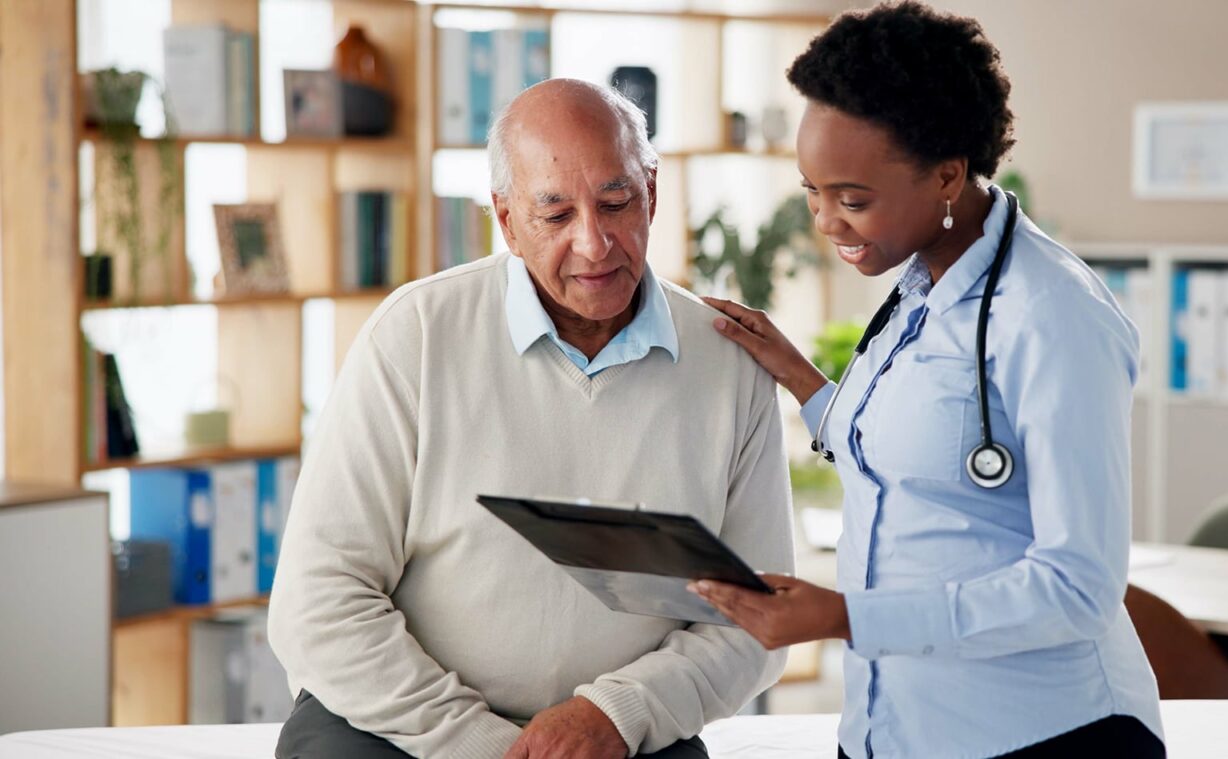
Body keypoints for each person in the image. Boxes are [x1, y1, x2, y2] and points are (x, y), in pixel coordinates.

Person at [690, 3, 1165, 757]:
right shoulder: (922, 283)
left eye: (852, 199)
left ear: (947, 174)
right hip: (894, 730)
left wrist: (849, 617)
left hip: (1040, 734)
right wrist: (799, 377)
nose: (825, 221)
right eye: (812, 191)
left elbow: (1079, 586)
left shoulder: (1051, 314)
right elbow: (913, 462)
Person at [269, 78, 794, 759]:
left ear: (653, 192)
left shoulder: (729, 363)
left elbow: (755, 617)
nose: (595, 244)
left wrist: (613, 713)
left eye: (617, 202)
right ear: (507, 219)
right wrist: (485, 745)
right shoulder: (417, 334)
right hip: (399, 724)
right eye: (555, 215)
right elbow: (318, 603)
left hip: (622, 732)